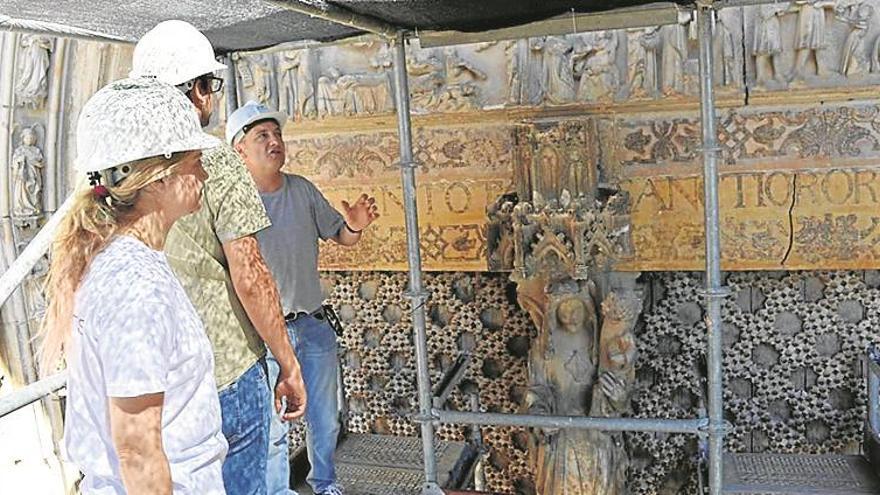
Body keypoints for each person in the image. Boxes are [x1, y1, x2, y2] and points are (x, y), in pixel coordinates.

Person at [129, 20, 307, 494]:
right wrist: (287, 362)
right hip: (223, 371)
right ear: (194, 92)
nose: (210, 99)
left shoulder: (115, 168)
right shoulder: (214, 159)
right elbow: (249, 274)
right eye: (209, 85)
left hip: (150, 381)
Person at [39, 77, 226, 494]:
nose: (205, 173)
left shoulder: (125, 265)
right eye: (195, 162)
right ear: (157, 178)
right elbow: (138, 452)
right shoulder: (135, 288)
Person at [228, 101, 379, 495]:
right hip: (264, 337)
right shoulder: (233, 204)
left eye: (277, 134)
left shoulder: (302, 190)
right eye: (262, 135)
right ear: (239, 149)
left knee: (325, 418)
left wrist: (355, 226)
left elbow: (341, 237)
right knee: (274, 427)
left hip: (312, 325)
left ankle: (325, 483)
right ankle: (279, 492)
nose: (274, 141)